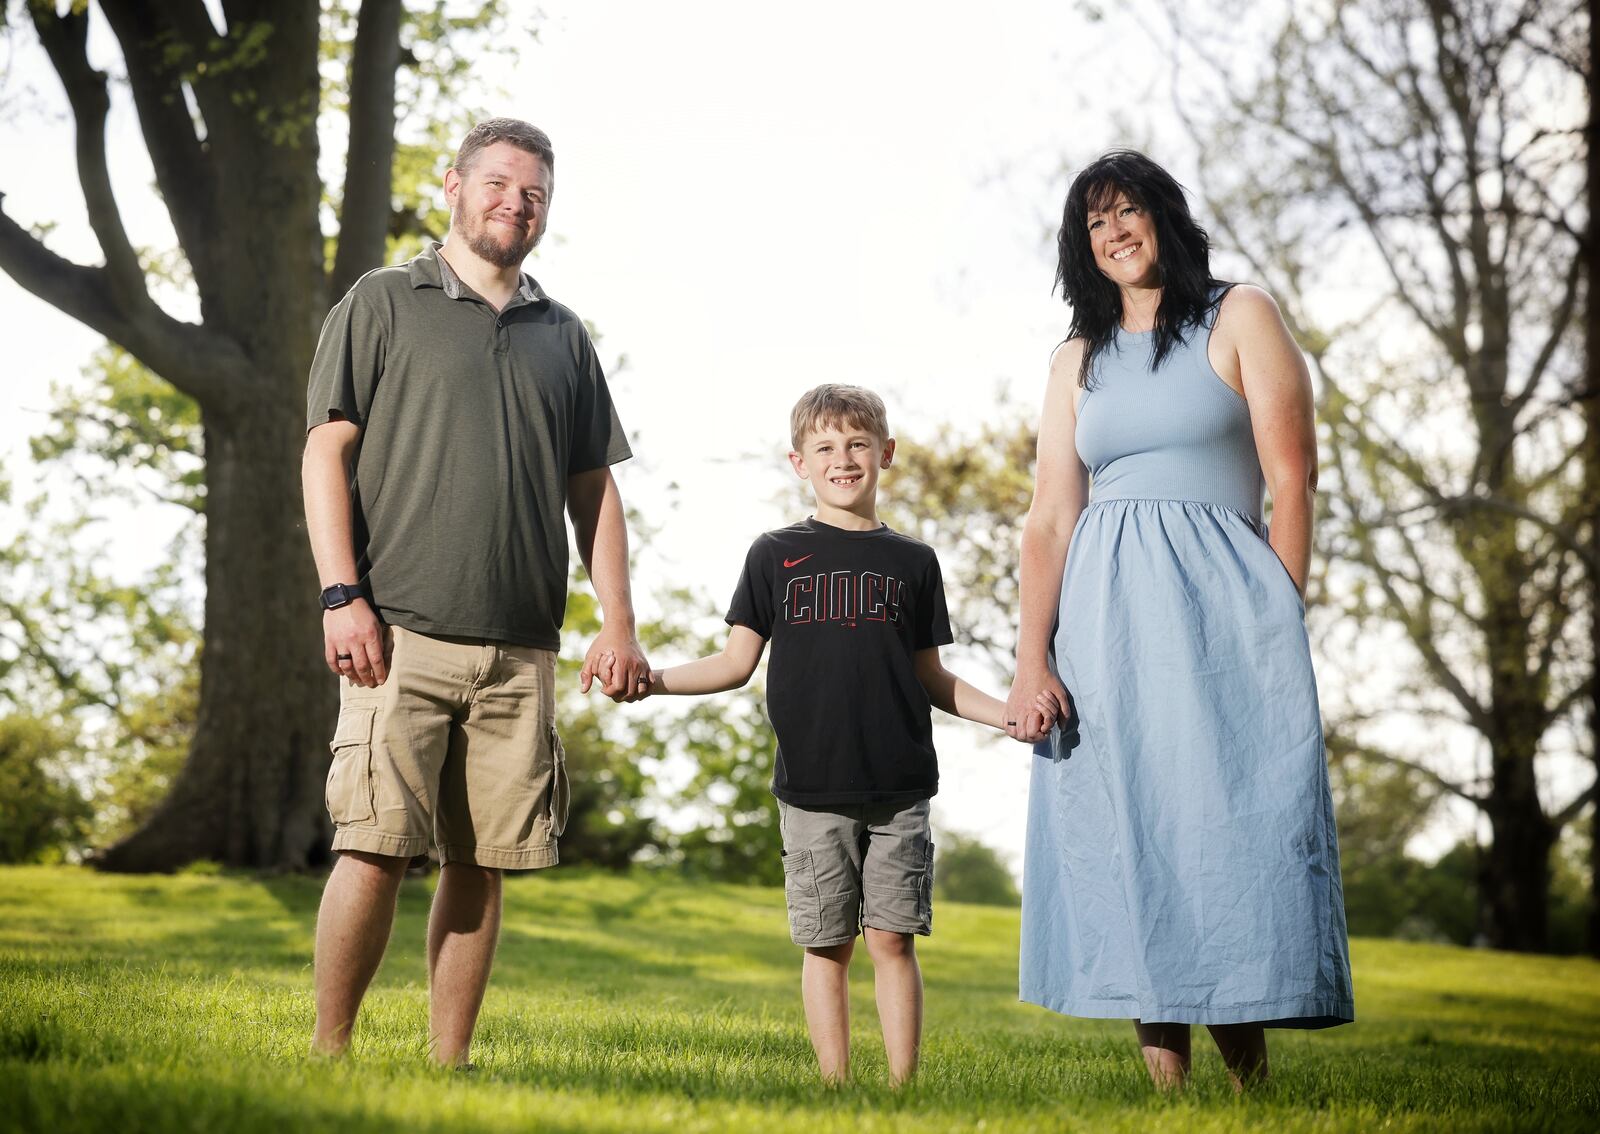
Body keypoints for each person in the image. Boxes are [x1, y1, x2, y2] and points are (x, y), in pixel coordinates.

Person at [301, 117, 650, 1066]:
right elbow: (326, 450)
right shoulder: (380, 301)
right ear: (453, 185)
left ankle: (447, 1068)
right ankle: (331, 1055)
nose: (516, 203)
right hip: (397, 633)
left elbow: (595, 490)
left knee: (482, 862)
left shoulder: (563, 336)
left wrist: (617, 623)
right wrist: (342, 595)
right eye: (497, 183)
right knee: (372, 846)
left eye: (534, 191)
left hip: (522, 646)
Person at [1006, 150, 1353, 1090]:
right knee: (1132, 836)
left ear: (1163, 216)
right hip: (1105, 622)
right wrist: (1030, 659)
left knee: (1226, 833)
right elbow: (1049, 518)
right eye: (1095, 223)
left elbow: (1292, 480)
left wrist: (1277, 612)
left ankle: (1251, 1087)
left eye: (1129, 212)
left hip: (1225, 613)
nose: (1115, 232)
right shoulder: (1075, 360)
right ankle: (1170, 1097)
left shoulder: (1239, 315)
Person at [611, 384, 1043, 1086]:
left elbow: (933, 675)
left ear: (886, 453)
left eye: (857, 444)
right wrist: (652, 679)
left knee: (894, 941)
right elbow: (733, 663)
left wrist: (1008, 713)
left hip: (900, 785)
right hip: (812, 789)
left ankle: (903, 1087)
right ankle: (836, 1086)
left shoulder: (915, 563)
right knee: (826, 945)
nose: (843, 459)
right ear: (798, 463)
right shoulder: (773, 555)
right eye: (825, 448)